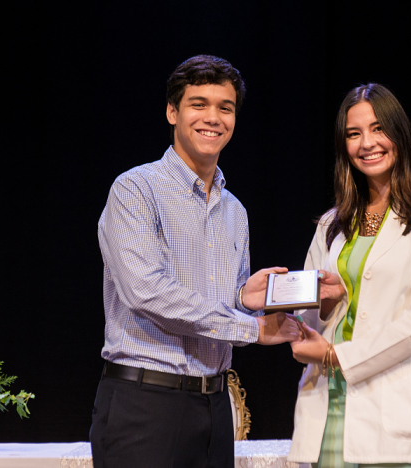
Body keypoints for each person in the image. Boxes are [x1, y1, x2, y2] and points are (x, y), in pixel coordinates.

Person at [90, 55, 301, 468]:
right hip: (145, 406)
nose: (213, 118)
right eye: (198, 104)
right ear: (172, 112)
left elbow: (214, 307)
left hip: (214, 407)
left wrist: (243, 297)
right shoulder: (135, 189)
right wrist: (252, 328)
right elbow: (148, 293)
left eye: (225, 107)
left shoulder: (234, 210)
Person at [288, 83, 411, 468]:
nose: (367, 143)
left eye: (378, 128)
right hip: (328, 406)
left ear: (400, 133)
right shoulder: (332, 224)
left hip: (396, 415)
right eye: (354, 133)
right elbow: (305, 319)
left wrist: (336, 355)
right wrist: (325, 303)